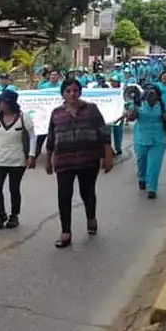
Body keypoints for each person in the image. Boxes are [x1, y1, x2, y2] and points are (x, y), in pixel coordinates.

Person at [44, 78, 114, 249]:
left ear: (80, 92)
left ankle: (91, 217)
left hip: (88, 160)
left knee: (88, 193)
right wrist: (48, 159)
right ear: (62, 93)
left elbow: (104, 133)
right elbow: (51, 138)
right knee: (64, 196)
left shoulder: (91, 110)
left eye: (75, 90)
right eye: (68, 91)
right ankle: (65, 231)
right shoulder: (56, 113)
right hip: (64, 161)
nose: (72, 94)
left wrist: (108, 157)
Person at [0, 89, 35, 230]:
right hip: (0, 159)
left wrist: (31, 155)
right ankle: (1, 214)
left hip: (17, 160)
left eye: (2, 101)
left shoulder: (24, 118)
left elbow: (32, 136)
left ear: (10, 103)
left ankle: (14, 215)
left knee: (14, 188)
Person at [127, 85, 166, 199]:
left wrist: (165, 117)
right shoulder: (139, 104)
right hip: (141, 138)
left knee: (154, 164)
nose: (150, 94)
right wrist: (133, 107)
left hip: (159, 139)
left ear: (158, 94)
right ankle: (142, 178)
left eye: (152, 93)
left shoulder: (162, 104)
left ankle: (152, 188)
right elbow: (131, 118)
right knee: (141, 161)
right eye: (147, 92)